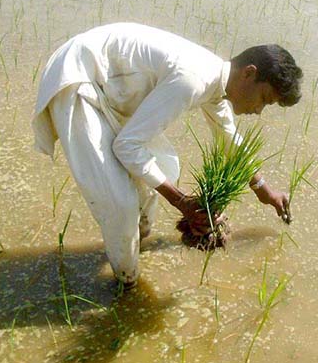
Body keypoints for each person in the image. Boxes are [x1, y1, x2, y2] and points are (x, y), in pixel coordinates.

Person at [32, 23, 302, 286]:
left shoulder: (217, 84)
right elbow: (126, 146)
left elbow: (228, 138)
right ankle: (127, 284)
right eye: (265, 99)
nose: (259, 110)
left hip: (112, 89)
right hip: (79, 78)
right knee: (121, 205)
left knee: (166, 167)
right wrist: (181, 202)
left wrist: (264, 190)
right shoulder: (193, 79)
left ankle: (135, 238)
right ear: (249, 73)